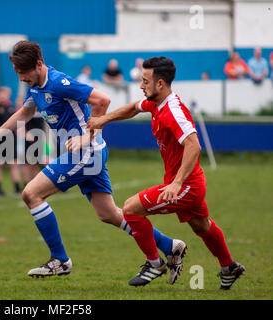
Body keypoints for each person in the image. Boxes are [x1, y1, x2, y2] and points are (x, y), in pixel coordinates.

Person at [0, 41, 185, 281]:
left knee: (31, 194)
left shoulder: (59, 83)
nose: (21, 77)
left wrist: (85, 137)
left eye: (23, 72)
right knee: (108, 213)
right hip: (88, 153)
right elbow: (26, 111)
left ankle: (60, 259)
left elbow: (103, 101)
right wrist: (0, 133)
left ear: (38, 64)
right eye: (17, 73)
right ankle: (170, 247)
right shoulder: (35, 85)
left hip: (86, 152)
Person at [87, 57, 245, 290]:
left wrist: (177, 183)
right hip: (189, 182)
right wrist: (104, 119)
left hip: (185, 186)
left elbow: (194, 145)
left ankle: (155, 264)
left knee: (130, 209)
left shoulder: (173, 111)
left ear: (160, 84)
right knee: (201, 226)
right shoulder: (156, 103)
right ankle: (229, 267)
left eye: (145, 81)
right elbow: (132, 108)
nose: (141, 86)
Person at [0, 86, 22, 196]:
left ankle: (17, 188)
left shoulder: (11, 108)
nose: (3, 96)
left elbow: (16, 123)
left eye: (6, 94)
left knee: (14, 164)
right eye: (2, 94)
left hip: (11, 139)